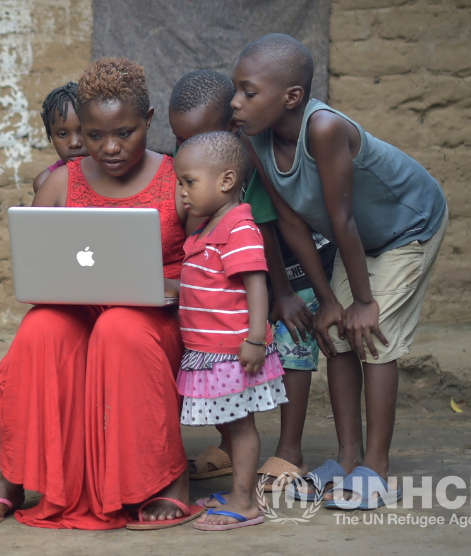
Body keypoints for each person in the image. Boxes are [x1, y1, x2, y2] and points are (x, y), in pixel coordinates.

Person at [0, 57, 205, 530]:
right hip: (78, 313)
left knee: (119, 328)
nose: (109, 148)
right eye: (94, 136)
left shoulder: (179, 179)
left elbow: (215, 262)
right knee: (40, 332)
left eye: (126, 133)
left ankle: (166, 480)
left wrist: (175, 284)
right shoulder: (60, 182)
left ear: (149, 121)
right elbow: (36, 264)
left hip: (152, 323)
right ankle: (14, 477)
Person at [231, 34, 448, 510]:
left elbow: (342, 219)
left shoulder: (324, 128)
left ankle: (377, 466)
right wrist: (329, 298)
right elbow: (290, 220)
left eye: (249, 92)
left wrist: (365, 302)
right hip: (360, 241)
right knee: (339, 334)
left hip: (408, 226)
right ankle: (348, 459)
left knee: (374, 332)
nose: (236, 103)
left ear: (291, 97)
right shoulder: (256, 139)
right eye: (236, 91)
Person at [168, 69, 334, 487]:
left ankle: (289, 451)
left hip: (294, 264)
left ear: (229, 126)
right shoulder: (203, 169)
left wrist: (287, 293)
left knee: (293, 343)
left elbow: (273, 226)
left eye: (196, 137)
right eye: (178, 139)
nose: (185, 148)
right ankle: (231, 447)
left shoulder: (247, 159)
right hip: (247, 268)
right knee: (229, 369)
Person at [174, 130, 287, 530]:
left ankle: (245, 501)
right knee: (228, 423)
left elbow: (258, 284)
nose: (181, 192)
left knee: (240, 427)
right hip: (209, 350)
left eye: (189, 181)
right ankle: (238, 490)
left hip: (232, 351)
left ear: (225, 181)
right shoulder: (208, 229)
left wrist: (256, 338)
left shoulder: (238, 229)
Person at [31, 82, 87, 194]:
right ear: (50, 135)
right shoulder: (45, 183)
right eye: (62, 134)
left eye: (82, 132)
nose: (74, 143)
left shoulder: (115, 173)